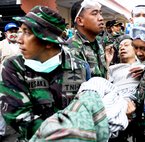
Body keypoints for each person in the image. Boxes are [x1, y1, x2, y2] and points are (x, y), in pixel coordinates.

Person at [0, 6, 91, 141]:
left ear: (48, 42)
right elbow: (18, 116)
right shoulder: (13, 67)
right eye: (21, 31)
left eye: (27, 33)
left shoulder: (79, 67)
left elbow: (88, 109)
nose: (20, 39)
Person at [67, 0, 108, 78]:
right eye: (94, 14)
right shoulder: (72, 48)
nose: (101, 18)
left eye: (100, 13)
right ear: (80, 21)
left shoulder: (98, 44)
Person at [0, 22, 20, 141]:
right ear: (5, 33)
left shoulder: (22, 43)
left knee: (19, 105)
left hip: (19, 80)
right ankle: (1, 132)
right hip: (3, 79)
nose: (13, 34)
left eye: (14, 31)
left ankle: (21, 131)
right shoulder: (1, 45)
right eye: (10, 31)